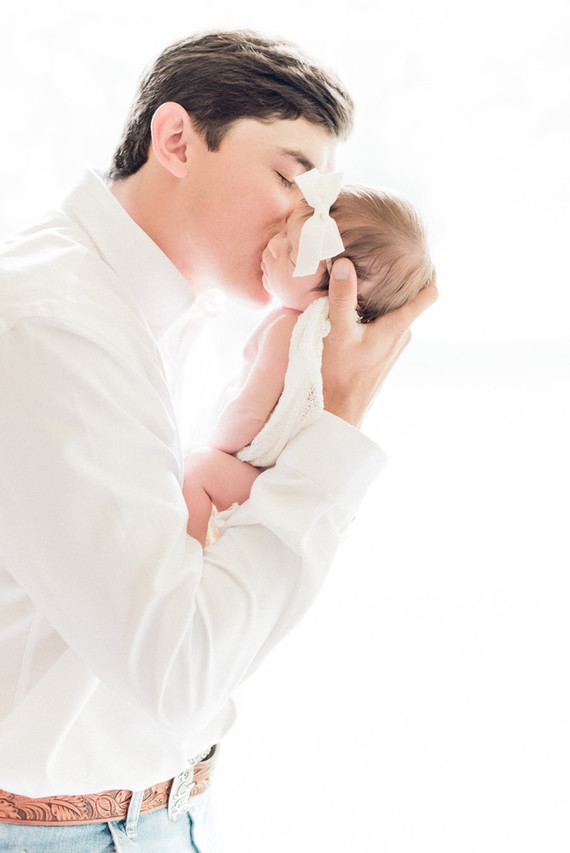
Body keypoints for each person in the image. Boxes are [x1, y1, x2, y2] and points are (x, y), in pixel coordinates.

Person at [0, 29, 437, 852]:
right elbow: (181, 666)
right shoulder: (56, 327)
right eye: (289, 176)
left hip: (156, 811)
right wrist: (335, 426)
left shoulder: (171, 316)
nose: (313, 219)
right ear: (175, 140)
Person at [183, 176, 437, 546]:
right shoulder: (306, 338)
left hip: (262, 480)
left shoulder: (288, 331)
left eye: (290, 253)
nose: (271, 246)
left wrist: (210, 444)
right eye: (284, 233)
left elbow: (250, 413)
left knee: (196, 469)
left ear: (339, 289)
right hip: (273, 478)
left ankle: (190, 551)